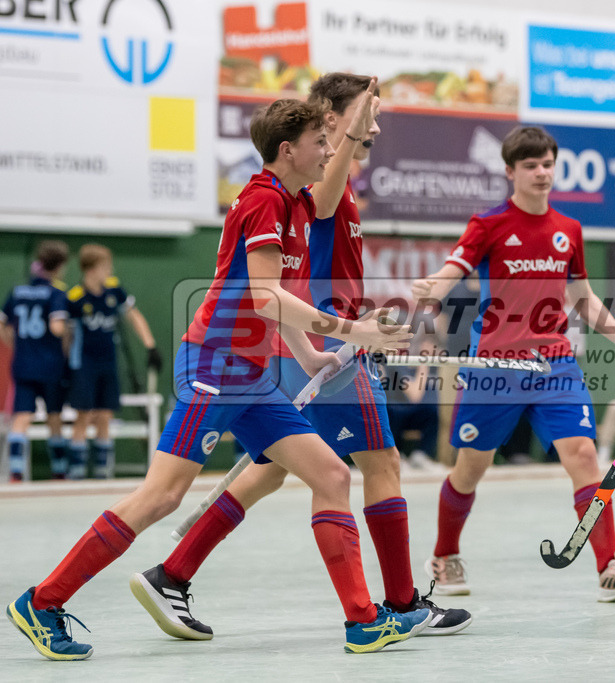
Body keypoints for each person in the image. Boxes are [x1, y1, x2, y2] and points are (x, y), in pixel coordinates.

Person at [6, 97, 426, 661]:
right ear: (288, 150)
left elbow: (279, 299)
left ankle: (362, 621)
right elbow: (262, 295)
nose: (331, 151)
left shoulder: (295, 203)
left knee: (330, 474)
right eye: (322, 143)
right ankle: (44, 600)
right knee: (162, 495)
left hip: (249, 372)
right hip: (215, 365)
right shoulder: (262, 202)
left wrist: (308, 357)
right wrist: (352, 331)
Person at [129, 73, 470, 641]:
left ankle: (173, 573)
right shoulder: (319, 186)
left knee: (271, 469)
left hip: (310, 343)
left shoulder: (332, 185)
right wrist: (351, 333)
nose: (375, 127)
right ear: (331, 122)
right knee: (379, 463)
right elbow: (321, 205)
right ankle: (402, 603)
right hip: (326, 340)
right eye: (367, 116)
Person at [412, 126, 615, 602]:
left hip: (554, 366)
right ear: (510, 172)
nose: (541, 173)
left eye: (547, 164)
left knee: (584, 457)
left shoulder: (569, 230)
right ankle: (444, 554)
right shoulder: (488, 225)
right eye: (530, 166)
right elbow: (450, 275)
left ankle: (610, 567)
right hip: (494, 369)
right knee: (469, 469)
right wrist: (425, 301)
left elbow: (581, 298)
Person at [65, 244, 162, 479]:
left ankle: (102, 471)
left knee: (105, 414)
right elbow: (67, 336)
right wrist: (67, 364)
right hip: (83, 364)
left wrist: (150, 344)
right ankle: (76, 472)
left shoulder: (114, 290)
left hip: (108, 362)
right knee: (84, 415)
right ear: (91, 269)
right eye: (105, 266)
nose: (109, 270)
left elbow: (133, 315)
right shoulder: (75, 298)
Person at [0, 241, 70, 481]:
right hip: (50, 365)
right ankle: (59, 470)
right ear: (59, 266)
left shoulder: (18, 291)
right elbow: (57, 327)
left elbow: (3, 323)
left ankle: (16, 472)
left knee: (21, 417)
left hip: (23, 363)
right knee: (54, 417)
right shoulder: (57, 294)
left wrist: (16, 342)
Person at [385, 322, 444, 471]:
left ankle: (421, 456)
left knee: (432, 412)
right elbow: (414, 395)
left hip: (416, 414)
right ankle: (396, 456)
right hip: (398, 411)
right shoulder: (399, 363)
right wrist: (423, 364)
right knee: (393, 411)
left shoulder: (434, 367)